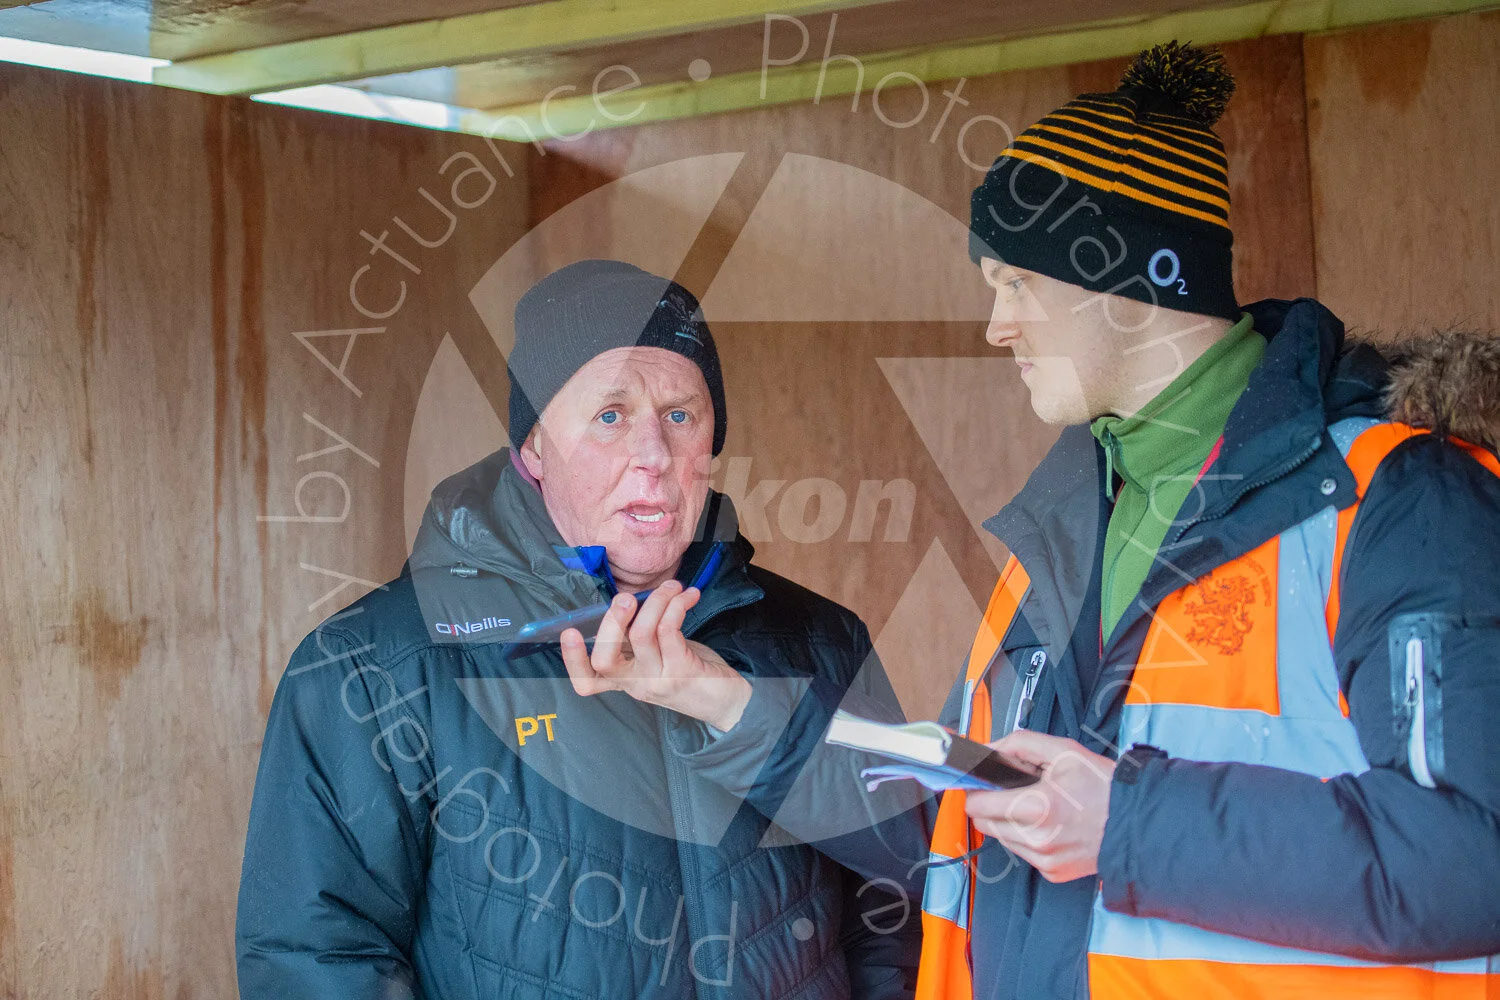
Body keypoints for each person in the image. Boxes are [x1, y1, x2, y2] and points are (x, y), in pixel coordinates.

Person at [584, 42, 1500, 1000]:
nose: (998, 326)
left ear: (1140, 284)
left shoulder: (1403, 505)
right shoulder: (1066, 528)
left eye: (1016, 283)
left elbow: (1478, 849)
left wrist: (1128, 825)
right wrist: (713, 696)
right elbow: (947, 824)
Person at [234, 259, 921, 999]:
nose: (652, 457)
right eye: (609, 416)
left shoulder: (820, 641)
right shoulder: (373, 669)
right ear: (532, 448)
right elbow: (316, 958)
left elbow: (896, 904)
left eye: (680, 415)